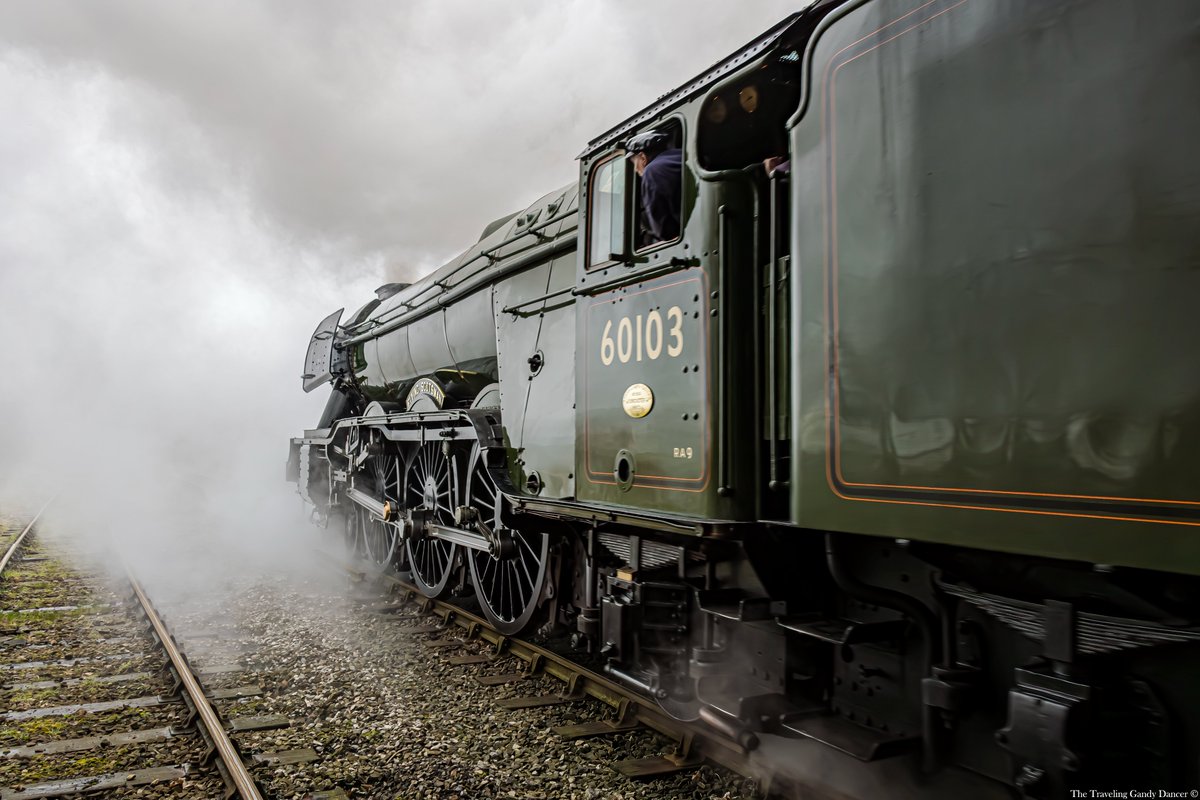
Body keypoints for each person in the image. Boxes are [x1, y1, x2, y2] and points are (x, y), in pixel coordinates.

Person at [625, 130, 682, 245]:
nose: (636, 170)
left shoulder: (651, 171)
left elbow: (663, 229)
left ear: (643, 158)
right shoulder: (681, 155)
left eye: (634, 163)